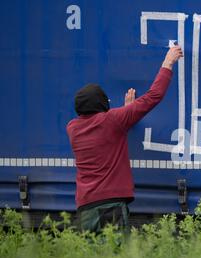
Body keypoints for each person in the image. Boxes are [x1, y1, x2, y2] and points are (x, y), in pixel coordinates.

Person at [66, 46, 183, 232]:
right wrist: (168, 62)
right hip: (110, 206)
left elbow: (105, 136)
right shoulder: (113, 120)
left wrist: (126, 113)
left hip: (85, 205)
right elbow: (153, 96)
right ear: (101, 104)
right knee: (114, 255)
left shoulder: (72, 128)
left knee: (90, 257)